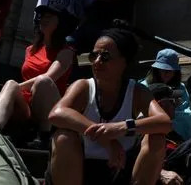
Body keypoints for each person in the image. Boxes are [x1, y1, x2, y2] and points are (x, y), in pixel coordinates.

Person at [47, 24, 172, 185]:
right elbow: (56, 113)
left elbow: (164, 122)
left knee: (156, 139)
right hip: (81, 168)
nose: (97, 62)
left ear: (124, 62)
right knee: (64, 137)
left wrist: (119, 128)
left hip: (120, 169)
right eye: (94, 56)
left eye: (105, 57)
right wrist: (106, 138)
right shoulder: (83, 86)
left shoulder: (136, 92)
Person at [0, 4, 76, 149]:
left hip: (49, 106)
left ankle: (44, 136)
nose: (43, 20)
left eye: (49, 17)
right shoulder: (31, 49)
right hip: (26, 107)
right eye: (42, 17)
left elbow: (49, 77)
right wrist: (13, 88)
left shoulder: (66, 52)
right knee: (10, 82)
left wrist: (17, 87)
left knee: (43, 81)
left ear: (59, 22)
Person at [141, 49, 191, 141]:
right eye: (163, 70)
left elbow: (186, 114)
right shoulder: (143, 87)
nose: (166, 74)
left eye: (170, 70)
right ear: (156, 70)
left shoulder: (180, 88)